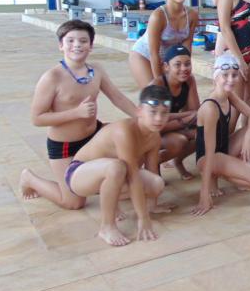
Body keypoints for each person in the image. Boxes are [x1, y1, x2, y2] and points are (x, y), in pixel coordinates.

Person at [20, 20, 140, 211]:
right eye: (70, 41)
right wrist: (76, 113)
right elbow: (37, 118)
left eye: (83, 41)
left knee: (131, 149)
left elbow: (117, 97)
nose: (77, 45)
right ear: (61, 45)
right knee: (73, 202)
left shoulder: (97, 71)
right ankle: (30, 178)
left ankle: (100, 185)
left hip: (93, 137)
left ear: (91, 46)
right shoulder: (52, 78)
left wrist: (140, 116)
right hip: (65, 145)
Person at [63, 85, 171, 246]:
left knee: (156, 183)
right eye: (153, 112)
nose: (158, 119)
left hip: (111, 174)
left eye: (164, 113)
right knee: (117, 167)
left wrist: (151, 206)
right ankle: (107, 226)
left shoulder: (154, 136)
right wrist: (143, 218)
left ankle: (113, 201)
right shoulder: (124, 131)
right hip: (79, 173)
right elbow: (133, 176)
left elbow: (152, 171)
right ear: (140, 110)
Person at [191, 54, 250, 216]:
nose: (230, 79)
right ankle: (217, 175)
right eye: (225, 75)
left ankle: (232, 168)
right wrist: (204, 194)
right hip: (208, 158)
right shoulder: (210, 108)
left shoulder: (229, 95)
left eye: (234, 75)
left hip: (223, 150)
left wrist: (249, 136)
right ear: (216, 77)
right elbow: (208, 151)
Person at [129, 0, 198, 88]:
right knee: (156, 96)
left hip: (168, 58)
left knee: (179, 93)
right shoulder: (158, 16)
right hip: (144, 55)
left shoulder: (192, 15)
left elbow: (186, 48)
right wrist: (160, 82)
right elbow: (153, 53)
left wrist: (184, 69)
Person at [151, 44, 200, 180]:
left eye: (187, 64)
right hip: (152, 133)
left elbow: (196, 113)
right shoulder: (157, 85)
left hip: (171, 126)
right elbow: (155, 124)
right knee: (179, 141)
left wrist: (187, 118)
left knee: (202, 133)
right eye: (177, 65)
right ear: (166, 67)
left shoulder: (189, 81)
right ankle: (153, 163)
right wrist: (184, 118)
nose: (184, 69)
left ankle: (177, 161)